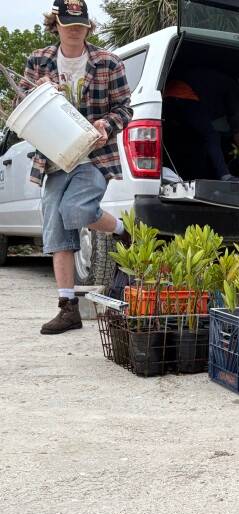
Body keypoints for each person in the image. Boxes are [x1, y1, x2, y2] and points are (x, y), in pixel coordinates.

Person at [16, 0, 133, 335]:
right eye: (68, 24)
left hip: (94, 157)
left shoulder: (108, 62)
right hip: (53, 158)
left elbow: (126, 109)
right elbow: (19, 103)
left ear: (88, 26)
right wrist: (38, 92)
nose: (74, 29)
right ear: (56, 24)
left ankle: (124, 231)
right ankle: (68, 308)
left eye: (80, 23)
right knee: (55, 231)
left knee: (77, 210)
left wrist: (106, 125)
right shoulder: (39, 60)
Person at [164, 69, 239, 182]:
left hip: (169, 95)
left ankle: (190, 176)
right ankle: (225, 175)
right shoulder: (234, 88)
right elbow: (236, 122)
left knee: (198, 137)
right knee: (212, 135)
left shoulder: (220, 83)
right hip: (184, 94)